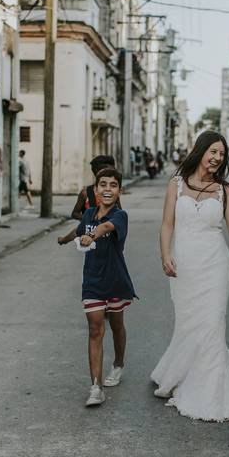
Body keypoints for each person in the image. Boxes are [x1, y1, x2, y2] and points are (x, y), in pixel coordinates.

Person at [151, 131, 229, 422]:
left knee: (211, 322)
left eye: (222, 154)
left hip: (215, 266)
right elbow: (167, 224)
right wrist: (164, 255)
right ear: (200, 150)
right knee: (189, 322)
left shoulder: (226, 190)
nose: (218, 158)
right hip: (184, 265)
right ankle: (180, 368)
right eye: (213, 152)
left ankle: (209, 393)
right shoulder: (176, 184)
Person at [74, 168, 136, 407]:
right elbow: (81, 231)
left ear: (119, 190)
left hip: (115, 280)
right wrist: (69, 238)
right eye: (103, 184)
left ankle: (118, 364)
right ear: (96, 189)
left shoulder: (121, 216)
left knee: (117, 324)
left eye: (113, 185)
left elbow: (106, 228)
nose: (107, 189)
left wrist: (93, 236)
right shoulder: (89, 213)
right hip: (92, 282)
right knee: (95, 329)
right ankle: (96, 387)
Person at [57, 155, 119, 245]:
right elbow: (76, 220)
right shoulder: (86, 193)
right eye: (110, 172)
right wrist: (89, 220)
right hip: (92, 243)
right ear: (99, 172)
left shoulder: (113, 193)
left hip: (110, 241)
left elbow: (119, 213)